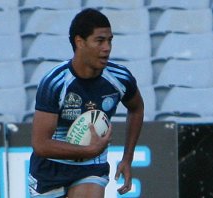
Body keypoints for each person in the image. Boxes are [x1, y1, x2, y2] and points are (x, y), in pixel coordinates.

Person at [29, 8, 144, 198]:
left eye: (110, 40)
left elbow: (137, 108)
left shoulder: (120, 78)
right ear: (79, 42)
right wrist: (88, 149)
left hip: (91, 166)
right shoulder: (55, 82)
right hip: (50, 169)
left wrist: (127, 158)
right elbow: (40, 144)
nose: (107, 47)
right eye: (100, 41)